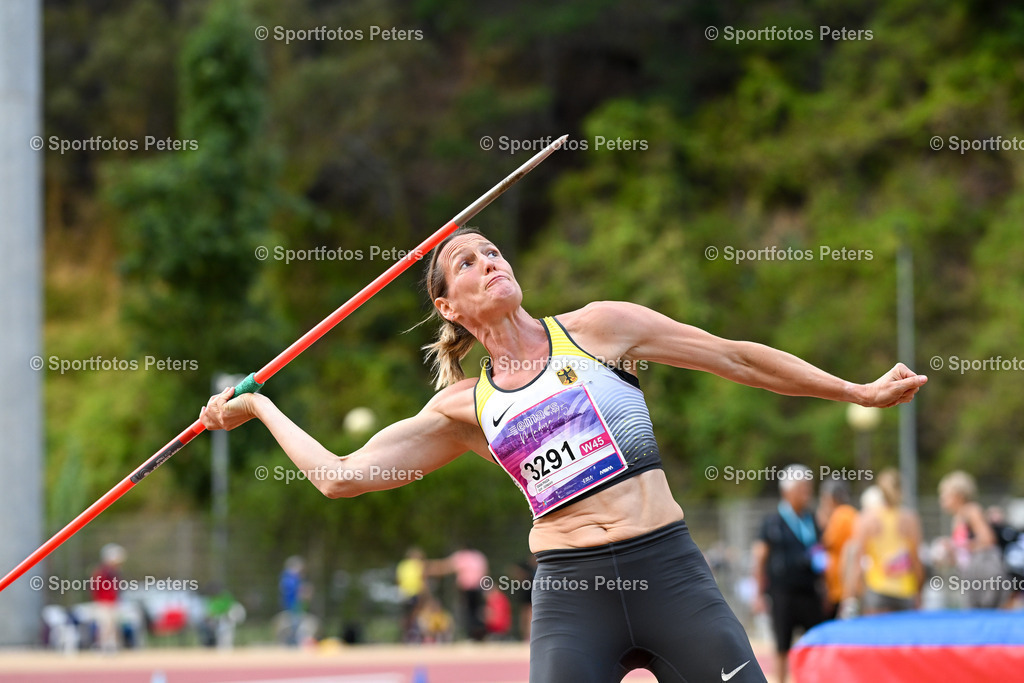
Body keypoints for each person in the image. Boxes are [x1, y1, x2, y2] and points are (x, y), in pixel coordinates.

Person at [200, 228, 927, 682]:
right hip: (571, 593)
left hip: (668, 569)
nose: (488, 261)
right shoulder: (464, 407)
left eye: (491, 250)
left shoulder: (602, 329)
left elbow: (735, 357)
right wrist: (260, 405)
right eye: (466, 263)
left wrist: (854, 391)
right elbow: (341, 478)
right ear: (449, 307)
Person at [752, 466, 826, 683]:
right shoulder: (772, 521)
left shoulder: (813, 519)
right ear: (787, 491)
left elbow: (821, 551)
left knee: (814, 643)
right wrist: (758, 593)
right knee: (782, 645)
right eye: (803, 488)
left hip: (810, 591)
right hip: (782, 592)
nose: (807, 493)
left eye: (808, 488)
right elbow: (760, 557)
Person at [841, 470, 923, 617]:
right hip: (905, 589)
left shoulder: (866, 519)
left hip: (877, 588)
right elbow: (916, 561)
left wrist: (850, 597)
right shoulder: (909, 519)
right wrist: (919, 592)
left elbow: (857, 563)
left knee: (877, 639)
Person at [938, 470, 1005, 608]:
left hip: (983, 569)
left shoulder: (971, 510)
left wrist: (961, 545)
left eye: (946, 495)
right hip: (971, 573)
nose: (942, 499)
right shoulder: (957, 518)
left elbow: (988, 539)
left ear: (959, 496)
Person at [817, 479, 858, 619]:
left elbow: (826, 543)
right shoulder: (850, 513)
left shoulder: (840, 515)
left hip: (841, 588)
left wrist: (822, 521)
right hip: (844, 586)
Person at [90, 543, 126, 652]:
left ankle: (112, 646)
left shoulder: (115, 572)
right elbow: (95, 587)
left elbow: (117, 588)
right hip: (103, 602)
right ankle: (102, 646)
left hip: (112, 602)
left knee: (113, 626)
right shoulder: (102, 572)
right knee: (105, 626)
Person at [396, 547, 427, 642]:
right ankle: (410, 634)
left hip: (405, 592)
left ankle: (407, 634)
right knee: (413, 614)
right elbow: (422, 580)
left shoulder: (402, 565)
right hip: (412, 592)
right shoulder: (418, 565)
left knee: (407, 614)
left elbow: (398, 580)